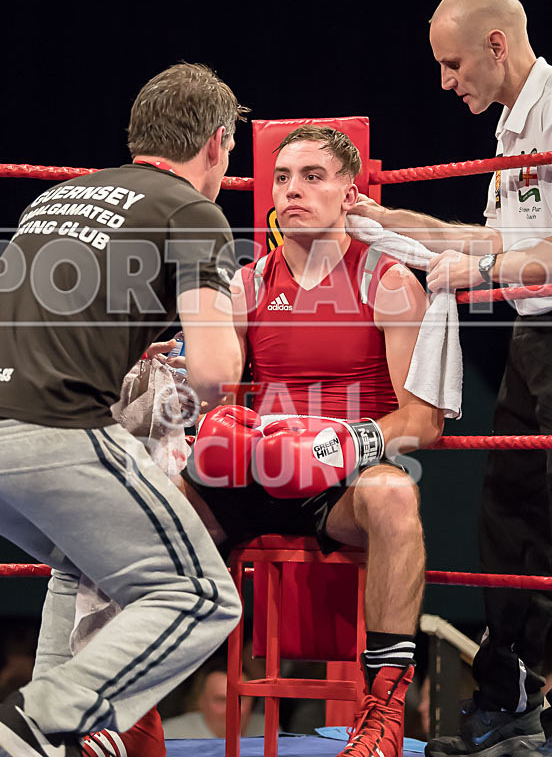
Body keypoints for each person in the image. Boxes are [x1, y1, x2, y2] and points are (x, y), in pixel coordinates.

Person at [0, 62, 247, 757]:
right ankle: (49, 720)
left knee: (81, 558)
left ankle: (41, 741)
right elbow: (216, 370)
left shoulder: (53, 199)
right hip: (51, 427)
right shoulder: (194, 212)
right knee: (203, 596)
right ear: (218, 144)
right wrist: (180, 426)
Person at [180, 124, 444, 757]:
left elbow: (421, 421)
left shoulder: (388, 282)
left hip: (344, 484)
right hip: (257, 469)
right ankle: (124, 709)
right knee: (152, 499)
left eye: (313, 176)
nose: (292, 190)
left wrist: (330, 447)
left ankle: (382, 713)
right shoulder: (245, 286)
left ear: (350, 192)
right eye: (282, 177)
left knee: (395, 499)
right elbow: (210, 397)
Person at [350, 0, 552, 757]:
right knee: (511, 526)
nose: (445, 80)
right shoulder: (513, 129)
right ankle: (512, 707)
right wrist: (396, 221)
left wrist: (482, 278)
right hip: (533, 354)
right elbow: (498, 241)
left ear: (496, 44)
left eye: (453, 62)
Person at [162, 658, 265, 739]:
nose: (231, 709)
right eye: (221, 700)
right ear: (200, 701)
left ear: (252, 700)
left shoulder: (266, 729)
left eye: (240, 699)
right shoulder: (171, 735)